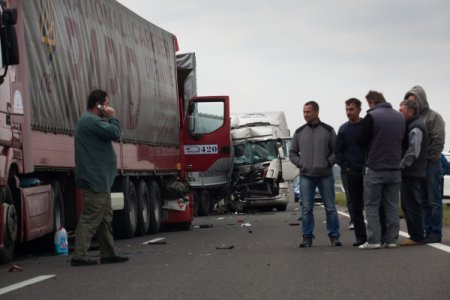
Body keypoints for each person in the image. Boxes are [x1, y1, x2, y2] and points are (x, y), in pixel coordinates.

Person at [71, 89, 129, 266]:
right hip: (95, 178)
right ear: (99, 105)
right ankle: (79, 256)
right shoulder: (91, 120)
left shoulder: (90, 121)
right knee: (91, 218)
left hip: (100, 179)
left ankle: (108, 253)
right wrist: (113, 116)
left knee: (104, 218)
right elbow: (115, 133)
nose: (109, 107)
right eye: (107, 103)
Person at [356, 91, 405, 249]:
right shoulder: (399, 117)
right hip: (395, 167)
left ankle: (374, 240)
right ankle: (392, 240)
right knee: (391, 205)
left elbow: (361, 141)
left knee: (371, 205)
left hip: (376, 167)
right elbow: (404, 141)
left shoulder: (372, 116)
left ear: (371, 102)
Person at [289, 101, 341, 247]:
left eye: (308, 112)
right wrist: (301, 163)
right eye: (304, 112)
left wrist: (328, 163)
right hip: (306, 175)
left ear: (317, 112)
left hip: (325, 174)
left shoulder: (328, 130)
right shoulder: (299, 132)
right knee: (306, 208)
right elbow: (292, 152)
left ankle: (334, 236)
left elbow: (336, 151)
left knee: (330, 207)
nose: (305, 114)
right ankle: (307, 237)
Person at [404, 85, 445, 243]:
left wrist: (428, 159)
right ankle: (425, 231)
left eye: (413, 99)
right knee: (421, 200)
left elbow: (438, 140)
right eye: (408, 100)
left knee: (433, 200)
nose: (411, 103)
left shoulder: (434, 117)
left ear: (421, 99)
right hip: (416, 167)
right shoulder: (409, 119)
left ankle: (435, 233)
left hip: (431, 164)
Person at [335, 98, 367, 246]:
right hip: (350, 171)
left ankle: (377, 235)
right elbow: (338, 152)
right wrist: (346, 167)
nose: (349, 112)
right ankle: (360, 237)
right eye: (347, 109)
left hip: (368, 170)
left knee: (372, 204)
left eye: (351, 109)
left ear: (359, 110)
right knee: (355, 205)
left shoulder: (367, 126)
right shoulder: (343, 129)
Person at [398, 100, 428, 246]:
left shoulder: (416, 127)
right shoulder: (412, 124)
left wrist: (401, 165)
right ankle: (415, 234)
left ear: (411, 111)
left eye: (401, 110)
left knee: (412, 204)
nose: (399, 113)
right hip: (412, 171)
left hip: (412, 171)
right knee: (408, 203)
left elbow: (413, 151)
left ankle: (417, 236)